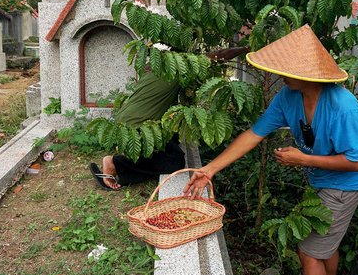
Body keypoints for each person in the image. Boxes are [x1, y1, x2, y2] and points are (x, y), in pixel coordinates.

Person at [183, 25, 358, 275]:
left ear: (309, 74)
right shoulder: (288, 96)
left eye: (287, 70)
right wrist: (210, 169)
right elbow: (254, 134)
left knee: (309, 251)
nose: (280, 74)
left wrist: (303, 159)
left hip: (343, 188)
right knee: (327, 245)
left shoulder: (343, 106)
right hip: (322, 183)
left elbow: (357, 161)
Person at [90, 46, 249, 190]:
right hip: (135, 128)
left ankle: (126, 159)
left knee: (172, 138)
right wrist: (246, 48)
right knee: (175, 163)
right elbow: (220, 55)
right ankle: (116, 163)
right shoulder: (179, 69)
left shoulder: (154, 70)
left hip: (126, 122)